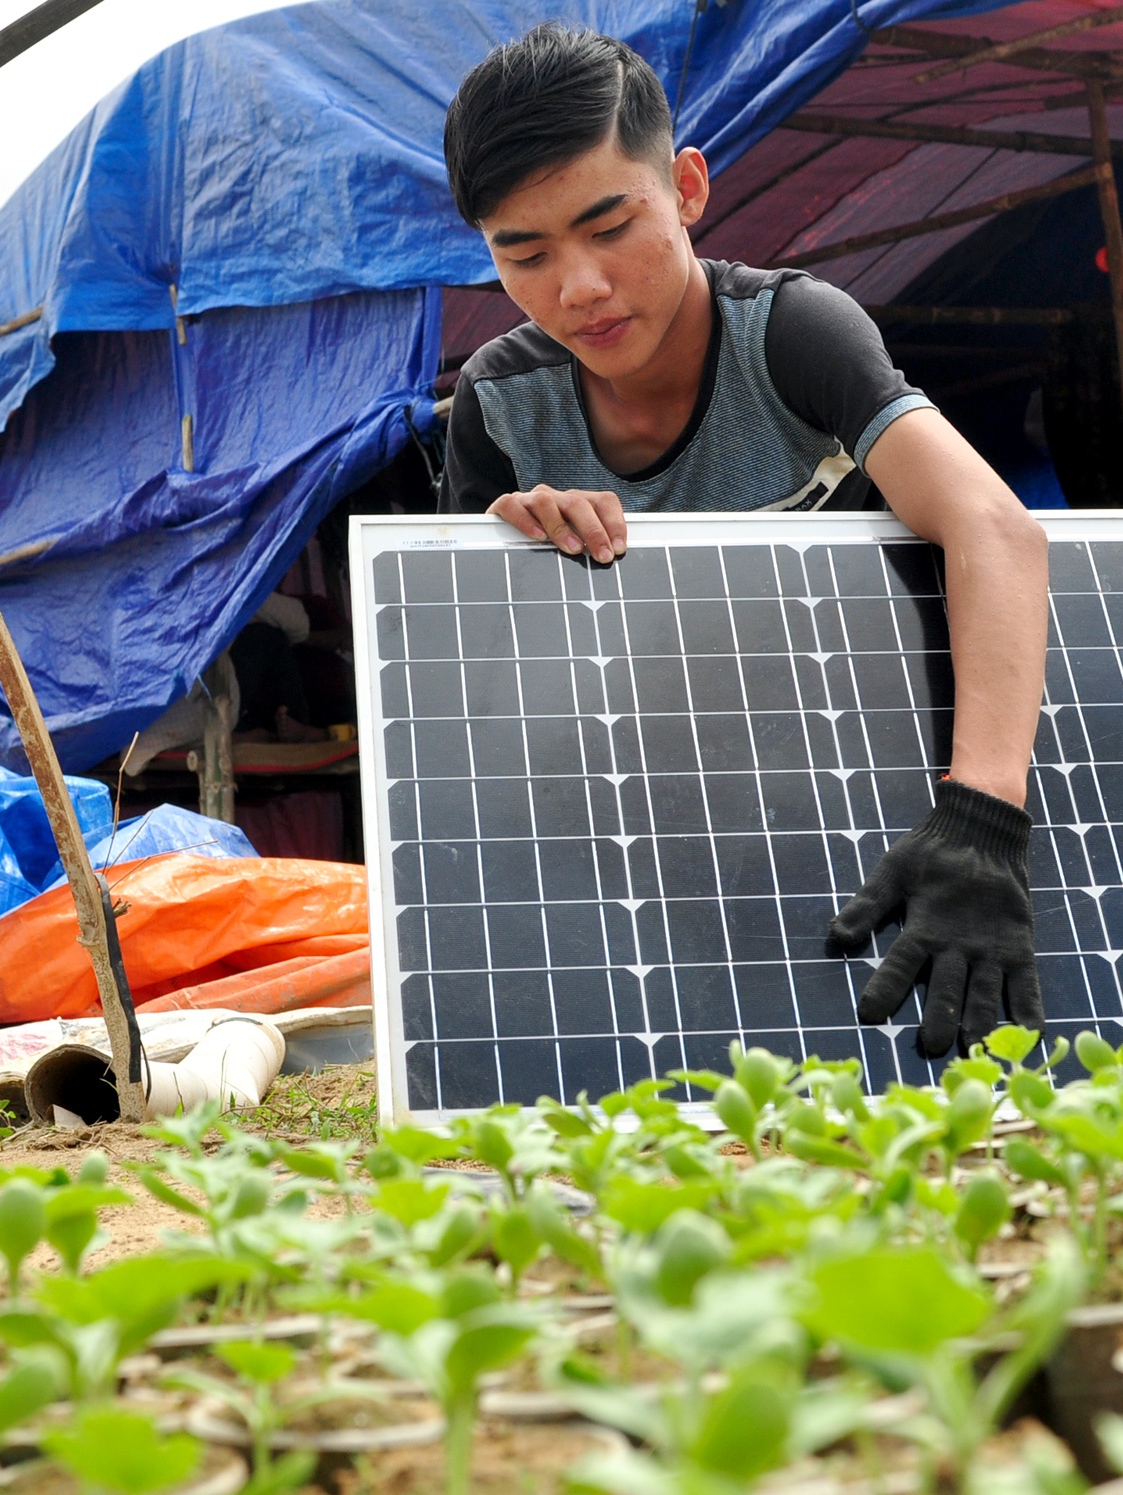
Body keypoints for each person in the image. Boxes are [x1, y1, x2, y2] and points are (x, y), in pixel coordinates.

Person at [439, 25, 1049, 1058]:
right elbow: (473, 705)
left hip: (880, 797)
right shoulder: (499, 406)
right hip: (654, 823)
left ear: (685, 188)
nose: (577, 286)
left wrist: (981, 822)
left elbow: (993, 526)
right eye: (524, 253)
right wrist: (514, 566)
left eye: (607, 225)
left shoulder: (794, 335)